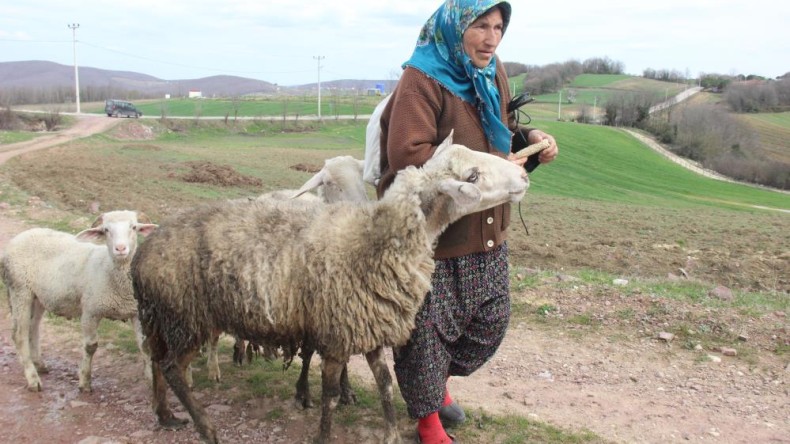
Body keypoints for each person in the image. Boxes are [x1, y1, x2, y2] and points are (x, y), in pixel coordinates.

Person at [375, 1, 559, 443]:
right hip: (435, 234)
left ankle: (434, 384)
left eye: (498, 27)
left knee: (489, 319)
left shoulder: (492, 71)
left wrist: (530, 138)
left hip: (488, 225)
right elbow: (408, 157)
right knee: (426, 332)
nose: (491, 38)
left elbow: (501, 127)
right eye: (480, 26)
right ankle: (428, 419)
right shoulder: (421, 80)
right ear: (455, 28)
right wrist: (490, 165)